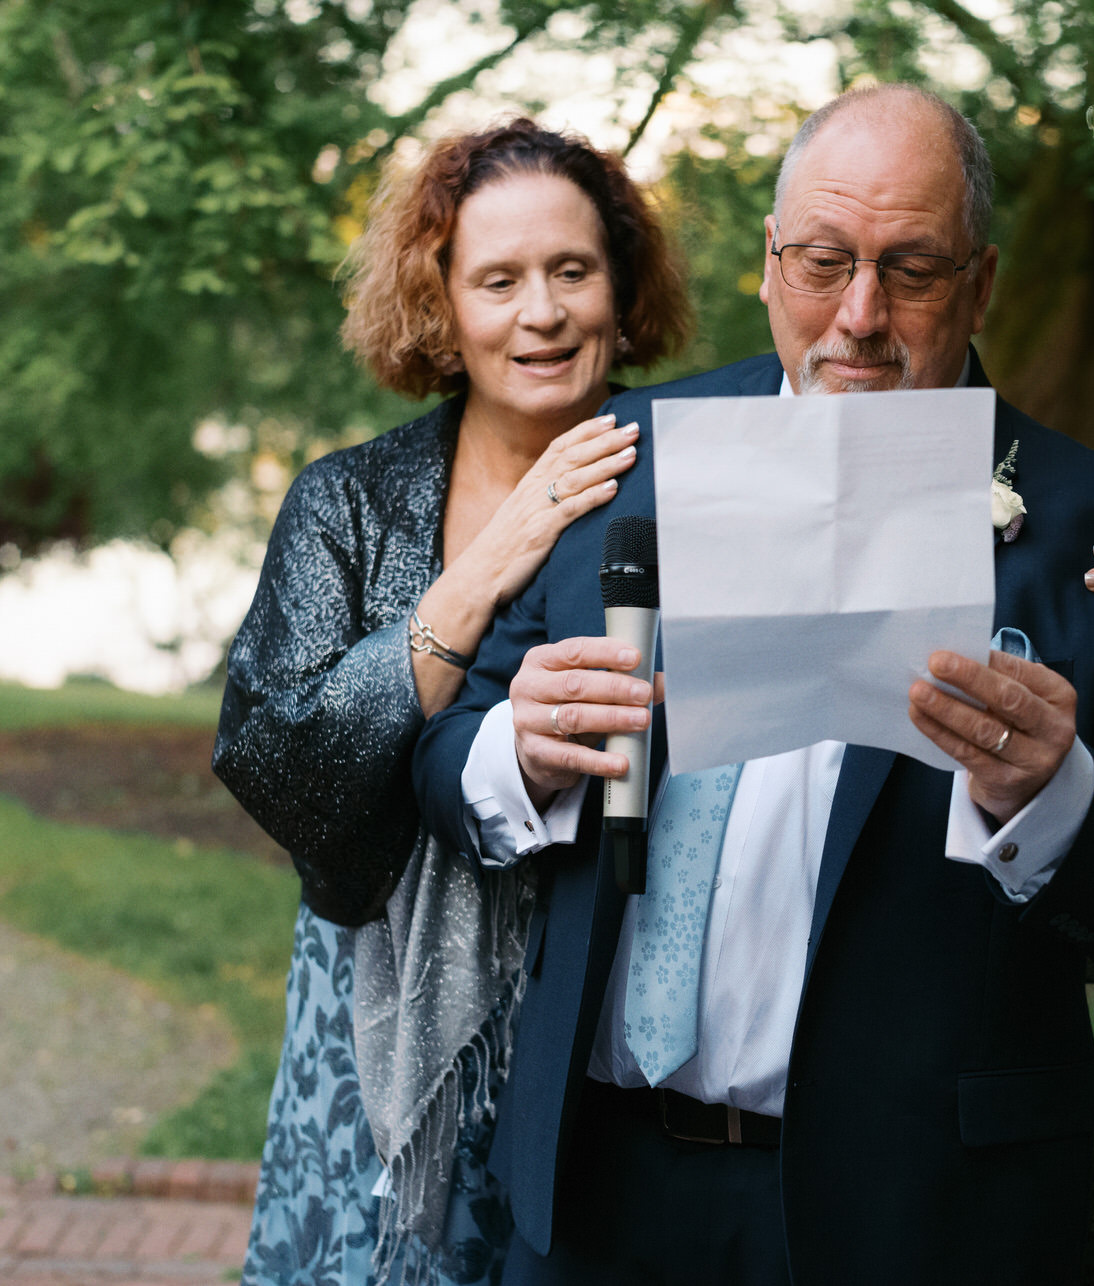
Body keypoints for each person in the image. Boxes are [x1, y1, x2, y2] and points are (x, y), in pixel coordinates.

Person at [410, 83, 1094, 1285]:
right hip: (598, 1190)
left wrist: (1057, 796)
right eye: (823, 260)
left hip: (919, 1215)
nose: (858, 314)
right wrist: (518, 752)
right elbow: (448, 761)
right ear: (767, 261)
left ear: (982, 282)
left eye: (911, 268)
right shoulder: (622, 456)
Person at [212, 119, 692, 1284]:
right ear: (440, 306)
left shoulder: (699, 472)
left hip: (611, 991)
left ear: (623, 293)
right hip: (380, 1007)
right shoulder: (349, 500)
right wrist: (500, 551)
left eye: (574, 271)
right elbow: (279, 760)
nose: (544, 312)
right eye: (499, 280)